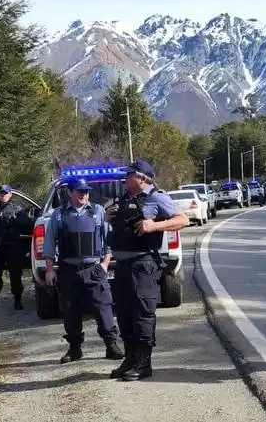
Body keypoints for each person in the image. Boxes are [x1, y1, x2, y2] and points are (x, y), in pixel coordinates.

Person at [106, 159, 187, 381]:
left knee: (142, 314)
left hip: (143, 264)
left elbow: (183, 219)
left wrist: (155, 225)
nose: (125, 177)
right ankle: (130, 359)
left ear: (142, 178)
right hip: (122, 265)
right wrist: (108, 218)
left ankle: (144, 363)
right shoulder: (124, 199)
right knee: (123, 314)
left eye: (129, 174)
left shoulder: (156, 197)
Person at [44, 178, 124, 364]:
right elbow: (49, 244)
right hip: (69, 271)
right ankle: (74, 348)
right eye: (79, 191)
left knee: (103, 309)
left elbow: (108, 240)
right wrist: (50, 269)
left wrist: (104, 264)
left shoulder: (97, 211)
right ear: (69, 193)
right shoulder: (58, 215)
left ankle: (111, 345)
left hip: (93, 269)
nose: (84, 195)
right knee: (71, 311)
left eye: (86, 191)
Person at [0, 185, 31, 310]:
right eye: (1, 193)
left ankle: (17, 301)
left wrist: (14, 219)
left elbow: (28, 224)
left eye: (5, 193)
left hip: (13, 248)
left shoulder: (17, 209)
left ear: (10, 195)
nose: (3, 195)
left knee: (15, 275)